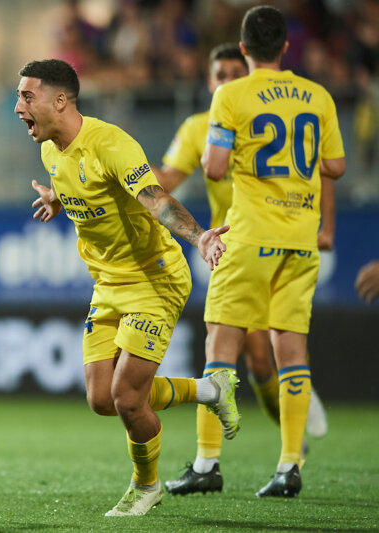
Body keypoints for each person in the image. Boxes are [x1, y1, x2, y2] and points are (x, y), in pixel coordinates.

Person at [15, 58, 240, 517]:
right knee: (102, 399)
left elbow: (155, 199)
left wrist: (199, 236)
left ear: (60, 100)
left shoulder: (112, 144)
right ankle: (211, 390)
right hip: (107, 282)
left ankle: (147, 486)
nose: (19, 106)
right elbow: (83, 183)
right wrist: (59, 198)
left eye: (26, 96)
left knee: (126, 398)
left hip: (154, 278)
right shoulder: (50, 149)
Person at [156, 43, 330, 497]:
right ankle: (293, 448)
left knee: (238, 351)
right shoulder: (199, 125)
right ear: (209, 80)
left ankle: (221, 459)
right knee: (266, 354)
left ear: (248, 62)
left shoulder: (235, 109)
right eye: (220, 73)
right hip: (254, 243)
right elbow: (167, 181)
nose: (229, 79)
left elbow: (215, 170)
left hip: (246, 244)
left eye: (236, 69)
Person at [199, 5, 345, 498]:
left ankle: (207, 462)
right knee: (292, 352)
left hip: (250, 236)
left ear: (242, 49)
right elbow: (336, 166)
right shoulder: (317, 95)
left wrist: (217, 150)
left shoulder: (231, 94)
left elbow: (215, 168)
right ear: (285, 47)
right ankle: (288, 466)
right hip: (301, 241)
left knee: (221, 345)